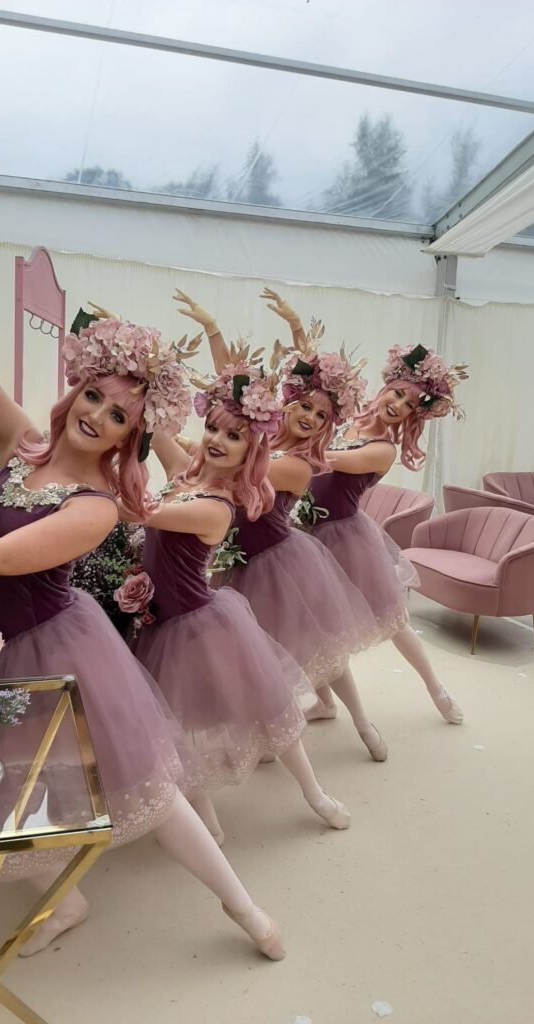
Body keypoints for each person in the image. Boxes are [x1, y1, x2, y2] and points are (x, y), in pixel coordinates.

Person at [0, 190, 284, 961]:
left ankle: (244, 908)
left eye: (119, 415)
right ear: (77, 391)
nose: (97, 414)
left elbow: (1, 558)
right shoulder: (21, 444)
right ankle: (64, 900)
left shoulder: (96, 505)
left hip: (63, 649)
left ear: (133, 436)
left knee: (149, 790)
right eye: (94, 396)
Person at [126, 340, 351, 844]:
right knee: (177, 723)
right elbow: (157, 433)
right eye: (212, 428)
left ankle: (315, 794)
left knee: (268, 711)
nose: (217, 440)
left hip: (203, 625)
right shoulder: (185, 479)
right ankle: (208, 822)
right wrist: (146, 382)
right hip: (162, 625)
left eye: (234, 437)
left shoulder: (216, 504)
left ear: (252, 452)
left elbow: (139, 512)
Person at [174, 288, 388, 761]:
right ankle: (275, 730)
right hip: (240, 564)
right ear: (287, 402)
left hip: (280, 564)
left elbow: (237, 463)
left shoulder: (296, 464)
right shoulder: (259, 434)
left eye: (322, 416)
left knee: (324, 653)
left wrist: (187, 445)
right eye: (305, 406)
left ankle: (362, 722)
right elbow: (234, 389)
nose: (310, 418)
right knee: (264, 654)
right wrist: (213, 330)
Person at [306, 340, 469, 726]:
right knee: (311, 622)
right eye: (396, 394)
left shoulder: (383, 449)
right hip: (307, 533)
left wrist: (285, 453)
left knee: (393, 621)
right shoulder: (348, 422)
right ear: (384, 389)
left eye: (409, 404)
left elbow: (329, 459)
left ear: (413, 416)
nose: (398, 405)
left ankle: (436, 689)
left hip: (345, 540)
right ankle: (325, 702)